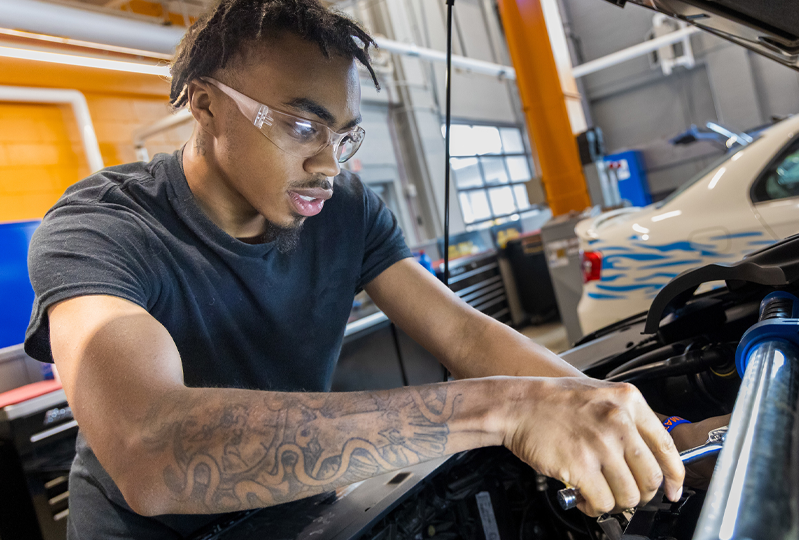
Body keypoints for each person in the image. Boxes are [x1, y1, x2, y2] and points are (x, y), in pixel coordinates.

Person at [25, 1, 723, 537]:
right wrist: (504, 407)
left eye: (345, 134)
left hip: (301, 510)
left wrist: (646, 434)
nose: (330, 163)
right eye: (301, 125)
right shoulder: (101, 229)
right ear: (204, 105)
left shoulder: (346, 209)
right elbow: (154, 449)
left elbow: (467, 337)